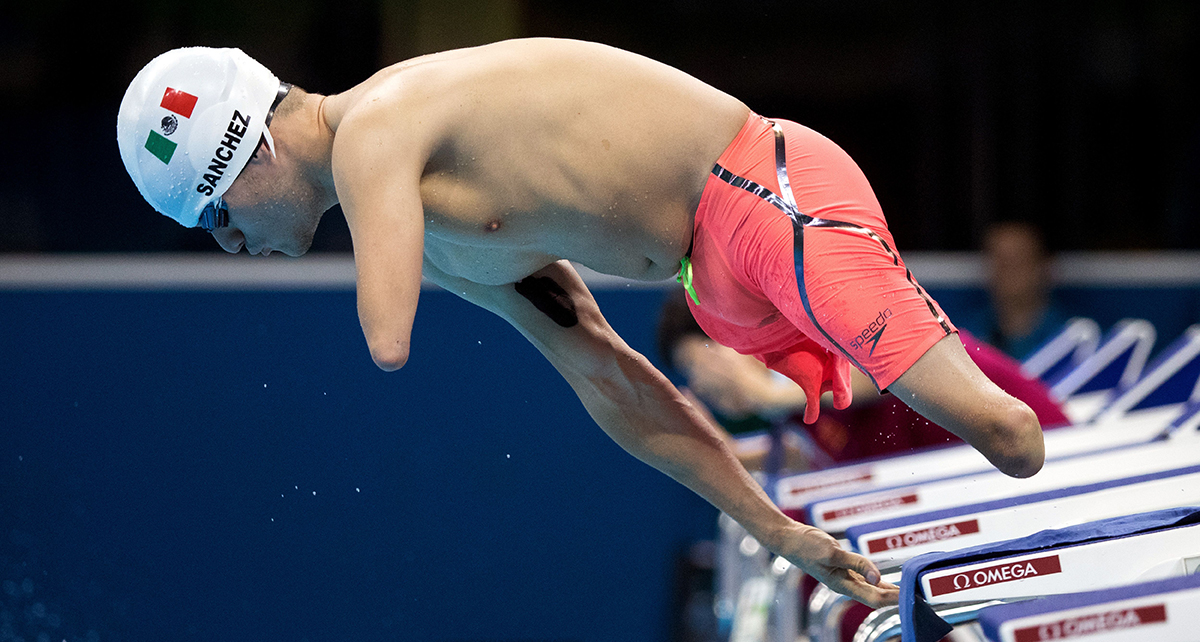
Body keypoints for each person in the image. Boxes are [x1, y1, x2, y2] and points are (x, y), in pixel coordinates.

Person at [116, 38, 1046, 608]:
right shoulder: (436, 238)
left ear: (253, 153)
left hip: (767, 195)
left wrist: (374, 226)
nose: (233, 247)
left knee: (1010, 438)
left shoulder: (377, 130)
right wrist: (775, 529)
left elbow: (387, 341)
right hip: (711, 284)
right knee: (950, 426)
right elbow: (607, 374)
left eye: (216, 219)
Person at [657, 289, 1070, 467]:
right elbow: (821, 450)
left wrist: (758, 391)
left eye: (702, 363)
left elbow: (875, 376)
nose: (704, 384)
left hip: (1051, 462)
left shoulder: (835, 337)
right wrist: (731, 452)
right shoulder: (796, 390)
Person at [961, 221, 1069, 360]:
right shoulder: (967, 337)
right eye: (999, 260)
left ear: (1043, 266)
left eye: (1019, 259)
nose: (1008, 269)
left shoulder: (1069, 336)